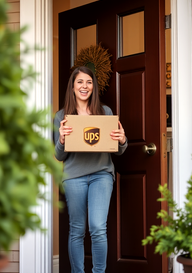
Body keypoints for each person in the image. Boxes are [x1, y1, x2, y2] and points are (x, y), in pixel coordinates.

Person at [53, 66, 127, 273]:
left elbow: (118, 150)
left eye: (88, 82)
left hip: (101, 175)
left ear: (93, 86)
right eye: (80, 82)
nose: (84, 86)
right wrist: (61, 139)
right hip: (73, 177)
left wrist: (122, 140)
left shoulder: (105, 113)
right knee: (77, 230)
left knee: (97, 228)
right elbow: (59, 156)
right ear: (73, 86)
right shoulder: (62, 117)